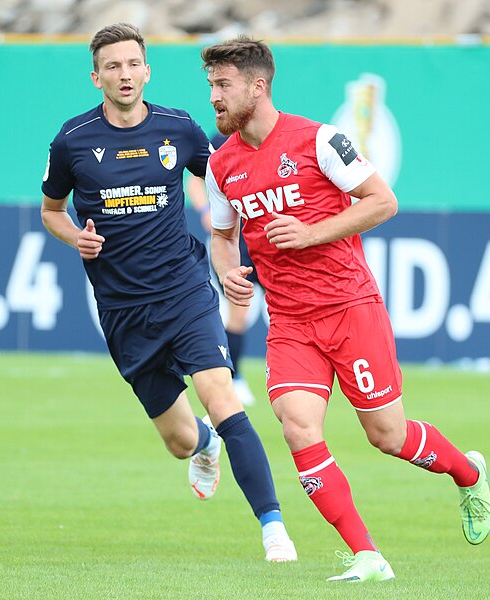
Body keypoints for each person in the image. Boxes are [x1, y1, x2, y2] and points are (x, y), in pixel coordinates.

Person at [202, 36, 490, 582]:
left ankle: (467, 473)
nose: (214, 97)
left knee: (388, 436)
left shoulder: (319, 141)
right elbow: (222, 236)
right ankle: (368, 555)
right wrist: (226, 272)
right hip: (290, 323)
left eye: (224, 85)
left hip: (349, 307)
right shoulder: (221, 165)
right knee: (297, 428)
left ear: (257, 86)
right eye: (211, 85)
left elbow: (383, 201)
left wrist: (310, 232)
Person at [40, 23, 296, 562]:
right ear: (96, 77)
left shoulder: (178, 128)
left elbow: (227, 175)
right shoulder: (72, 140)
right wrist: (75, 238)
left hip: (185, 292)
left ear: (147, 70)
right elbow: (52, 211)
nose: (124, 74)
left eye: (133, 64)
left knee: (222, 398)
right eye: (113, 66)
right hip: (123, 311)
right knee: (181, 441)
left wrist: (246, 232)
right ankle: (205, 447)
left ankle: (274, 529)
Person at [186, 132, 259, 406]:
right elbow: (194, 181)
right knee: (239, 312)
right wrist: (205, 211)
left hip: (266, 236)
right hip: (235, 242)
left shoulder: (270, 135)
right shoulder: (221, 140)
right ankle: (235, 377)